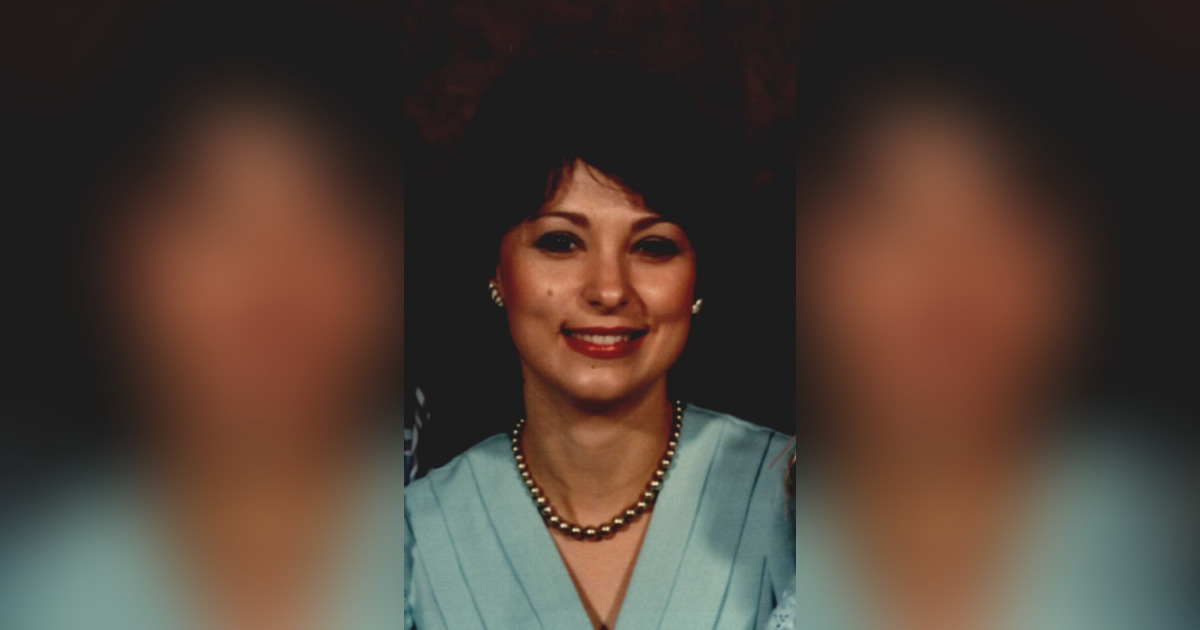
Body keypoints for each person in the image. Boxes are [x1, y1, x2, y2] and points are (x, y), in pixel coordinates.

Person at [791, 6, 1195, 630]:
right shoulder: (754, 524)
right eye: (889, 216)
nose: (948, 288)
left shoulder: (1155, 531)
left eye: (1009, 214)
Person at [2, 7, 406, 630]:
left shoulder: (450, 535)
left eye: (329, 217)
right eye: (212, 217)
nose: (272, 290)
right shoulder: (47, 576)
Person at [403, 60, 794, 630]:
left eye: (653, 247)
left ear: (698, 279)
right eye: (561, 242)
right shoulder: (405, 537)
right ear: (496, 269)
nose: (609, 290)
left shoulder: (807, 503)